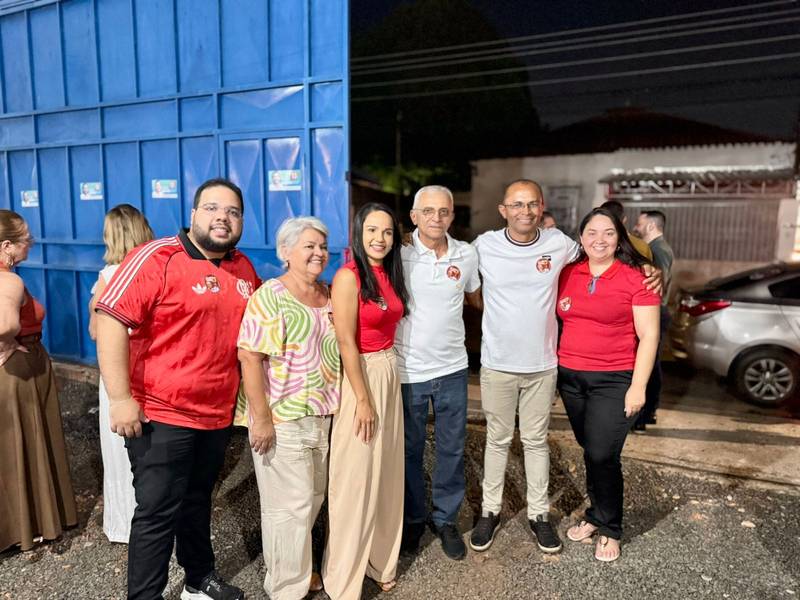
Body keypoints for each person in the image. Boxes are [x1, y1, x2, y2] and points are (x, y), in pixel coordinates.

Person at [469, 181, 661, 556]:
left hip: (545, 367)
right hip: (500, 365)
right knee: (498, 439)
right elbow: (464, 280)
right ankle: (489, 511)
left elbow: (617, 261)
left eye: (531, 204)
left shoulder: (560, 245)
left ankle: (541, 515)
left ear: (541, 208)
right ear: (503, 209)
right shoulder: (484, 246)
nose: (524, 211)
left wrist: (654, 270)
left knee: (541, 443)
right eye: (516, 204)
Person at [95, 178, 259, 600]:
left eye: (233, 212)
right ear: (193, 215)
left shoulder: (244, 270)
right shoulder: (157, 256)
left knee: (198, 500)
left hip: (216, 415)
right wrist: (119, 399)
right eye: (212, 208)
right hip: (161, 414)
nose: (222, 217)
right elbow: (110, 321)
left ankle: (198, 580)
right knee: (156, 514)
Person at [237, 217, 340, 600]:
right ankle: (284, 588)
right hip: (284, 416)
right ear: (285, 252)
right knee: (288, 508)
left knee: (312, 498)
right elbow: (249, 356)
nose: (318, 253)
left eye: (322, 247)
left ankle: (297, 570)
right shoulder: (271, 295)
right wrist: (260, 419)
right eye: (308, 246)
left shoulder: (327, 294)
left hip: (323, 414)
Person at [557, 207, 660, 562]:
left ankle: (611, 527)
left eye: (608, 233)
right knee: (591, 450)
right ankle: (596, 513)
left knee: (603, 453)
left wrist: (638, 387)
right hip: (570, 379)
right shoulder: (568, 272)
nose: (599, 240)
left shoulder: (637, 278)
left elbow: (649, 336)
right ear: (581, 238)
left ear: (619, 239)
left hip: (614, 379)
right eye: (592, 233)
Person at [322, 203, 409, 600]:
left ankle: (380, 561)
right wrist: (362, 399)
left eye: (387, 232)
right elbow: (345, 342)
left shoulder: (390, 274)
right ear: (358, 233)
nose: (380, 239)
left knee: (388, 477)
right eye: (372, 230)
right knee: (355, 479)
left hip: (389, 373)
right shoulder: (347, 276)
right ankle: (344, 578)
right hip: (362, 377)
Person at [395, 185, 481, 560]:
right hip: (408, 369)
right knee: (410, 451)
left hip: (453, 369)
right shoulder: (397, 254)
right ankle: (413, 519)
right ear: (414, 216)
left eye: (443, 211)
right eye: (427, 211)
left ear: (451, 215)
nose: (436, 218)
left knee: (451, 448)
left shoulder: (467, 253)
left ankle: (445, 519)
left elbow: (475, 297)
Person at [0, 210, 78, 553]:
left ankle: (17, 526)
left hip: (18, 371)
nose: (31, 242)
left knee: (11, 450)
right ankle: (31, 524)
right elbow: (5, 325)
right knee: (22, 443)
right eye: (26, 237)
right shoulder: (9, 281)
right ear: (7, 246)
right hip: (19, 372)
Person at [88, 204, 155, 544]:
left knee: (120, 451)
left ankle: (127, 524)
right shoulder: (156, 268)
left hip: (119, 376)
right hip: (152, 371)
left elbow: (98, 331)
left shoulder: (109, 277)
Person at [632, 210, 674, 431]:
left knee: (649, 364)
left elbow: (659, 282)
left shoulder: (659, 250)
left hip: (657, 312)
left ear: (650, 226)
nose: (636, 227)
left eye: (639, 223)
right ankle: (648, 413)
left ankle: (645, 414)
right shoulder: (655, 248)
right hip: (656, 311)